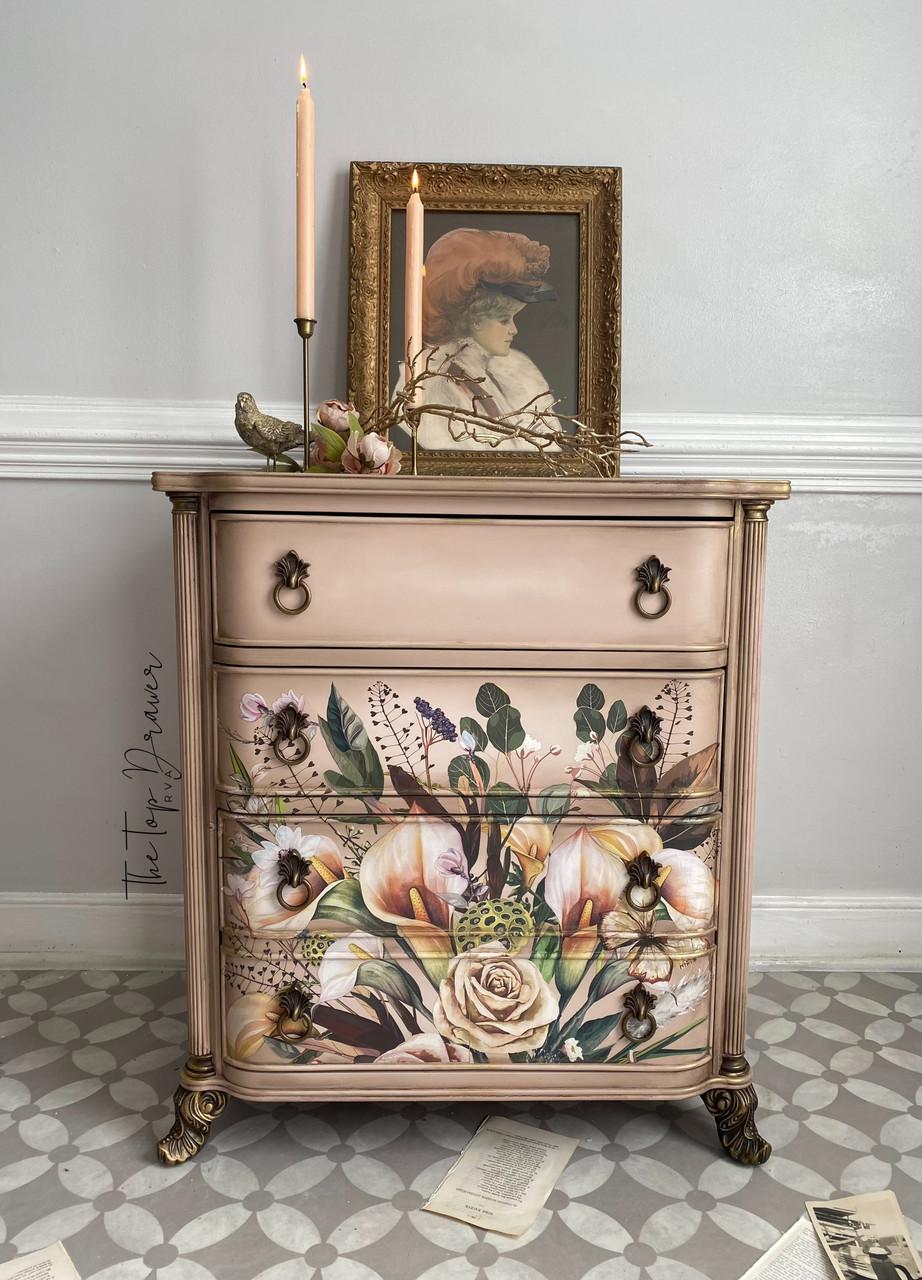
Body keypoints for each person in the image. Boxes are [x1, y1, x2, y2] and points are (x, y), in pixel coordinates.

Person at [410, 227, 561, 451]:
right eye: (503, 319)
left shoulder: (519, 368)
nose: (514, 330)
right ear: (473, 319)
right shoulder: (433, 384)